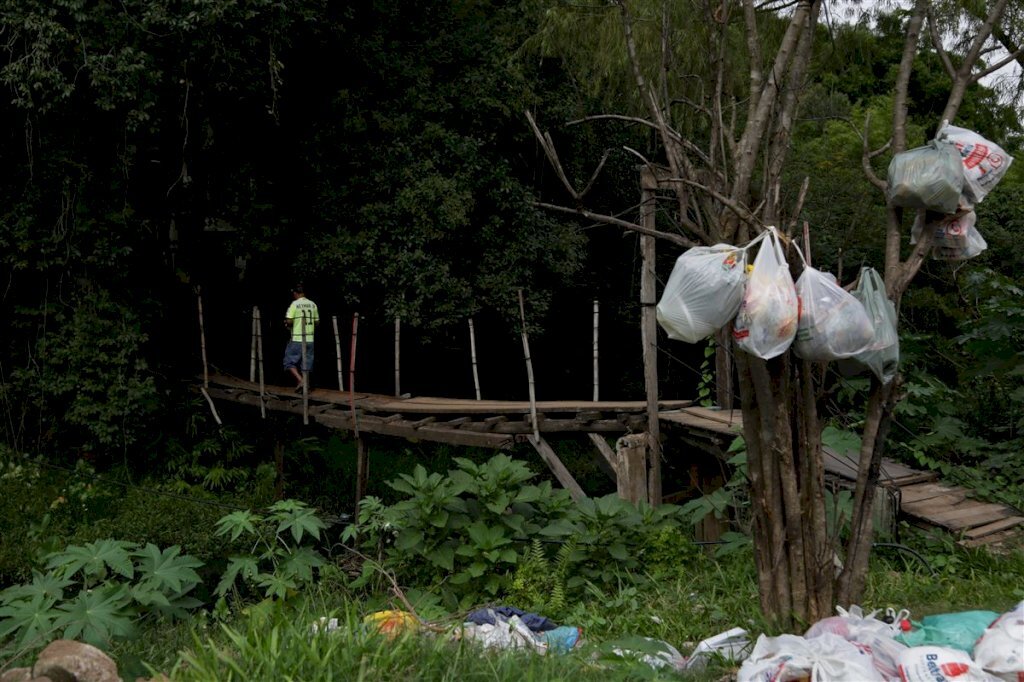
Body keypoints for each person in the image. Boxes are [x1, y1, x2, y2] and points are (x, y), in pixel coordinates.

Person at [282, 285, 319, 391]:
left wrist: (287, 323)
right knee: (306, 364)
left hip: (297, 338)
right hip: (310, 339)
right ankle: (305, 382)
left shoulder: (295, 304)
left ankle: (301, 381)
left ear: (295, 293)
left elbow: (289, 321)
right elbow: (317, 322)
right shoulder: (313, 304)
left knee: (288, 362)